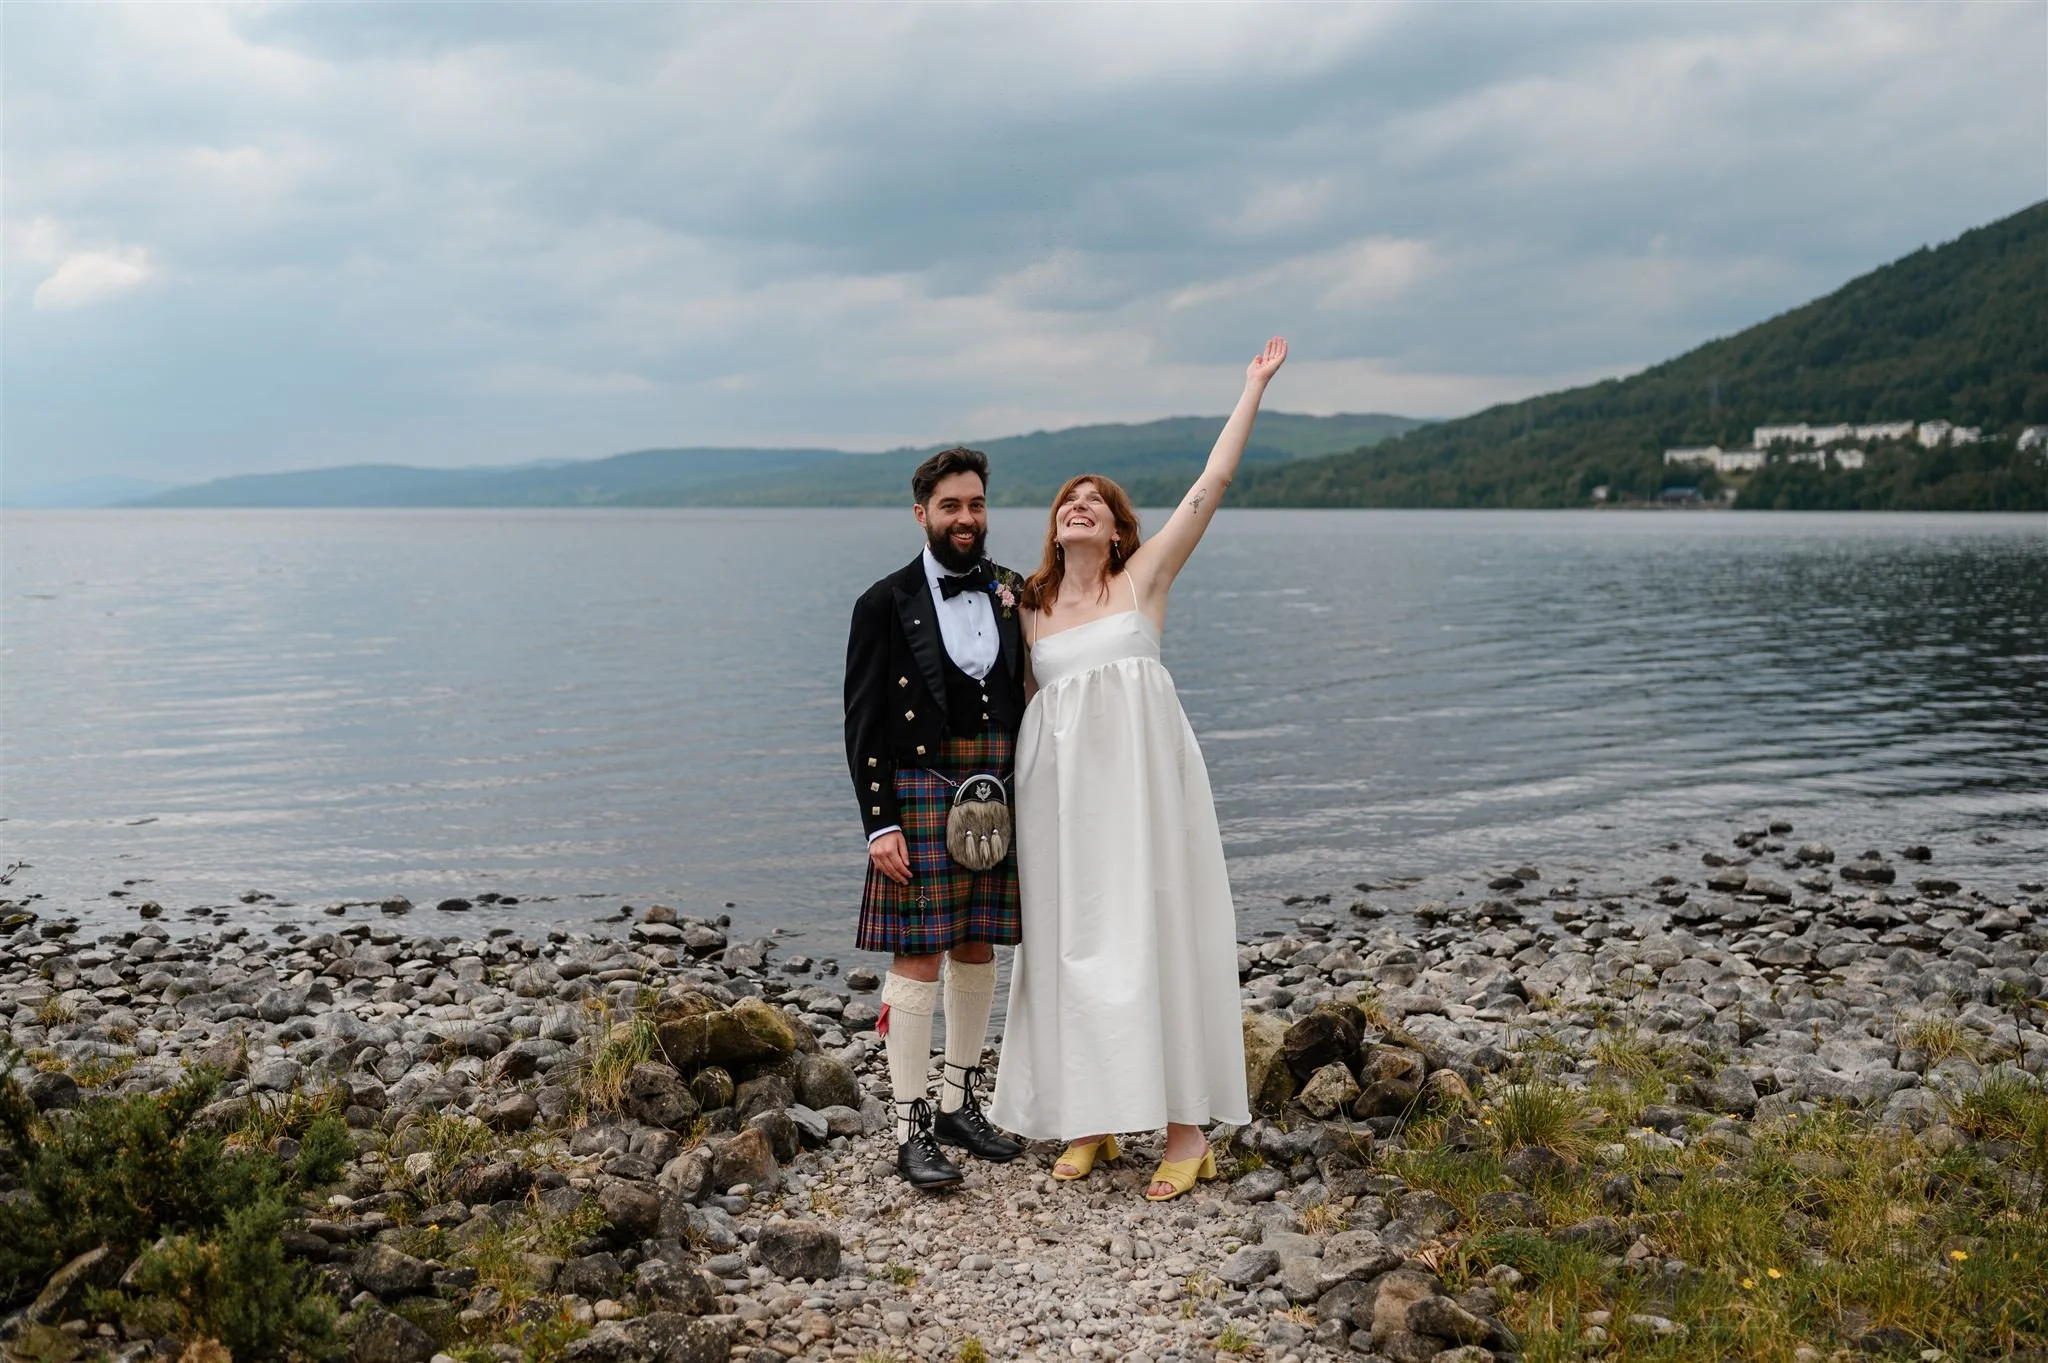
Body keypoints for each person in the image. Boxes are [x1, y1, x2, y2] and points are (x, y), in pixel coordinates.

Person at [991, 337, 1289, 1201]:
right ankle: (1090, 1120)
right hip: (1058, 802)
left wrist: (1251, 387)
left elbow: (1212, 485)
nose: (1079, 507)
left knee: (1155, 931)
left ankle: (1186, 1132)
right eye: (1067, 500)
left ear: (1119, 527)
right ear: (1054, 525)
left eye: (1096, 502)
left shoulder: (1144, 579)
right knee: (1070, 942)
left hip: (1144, 794)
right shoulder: (1031, 608)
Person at [844, 446, 1030, 1191]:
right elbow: (860, 723)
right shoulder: (883, 601)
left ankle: (959, 1100)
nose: (966, 518)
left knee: (979, 944)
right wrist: (879, 823)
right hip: (920, 790)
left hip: (997, 789)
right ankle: (910, 1126)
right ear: (921, 512)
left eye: (976, 504)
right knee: (918, 956)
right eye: (951, 506)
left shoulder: (1015, 590)